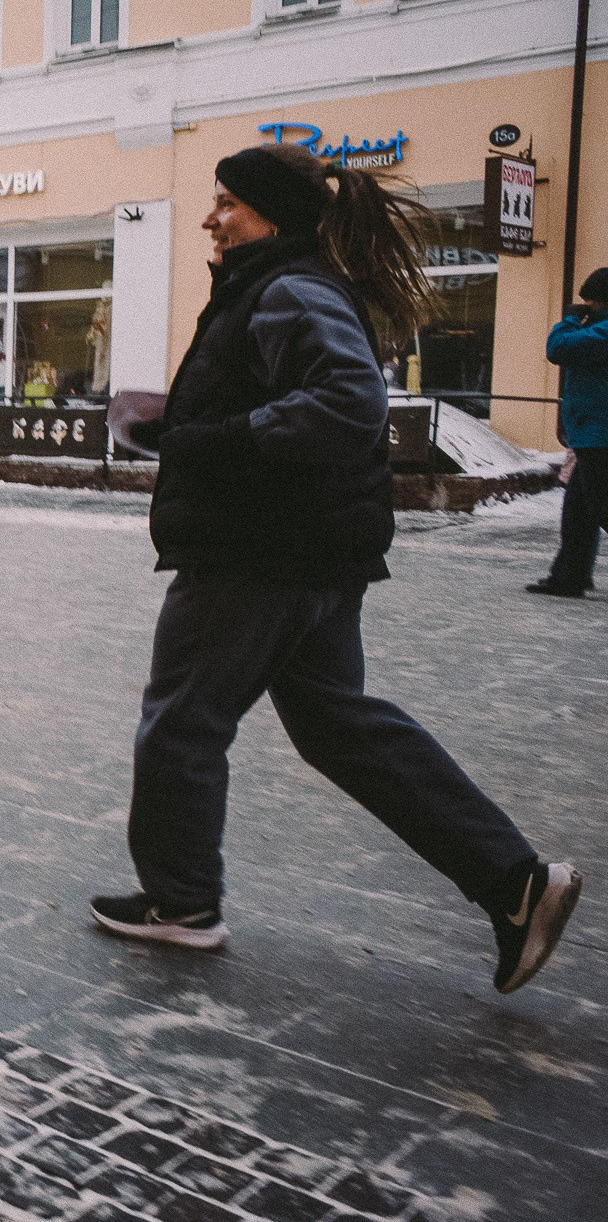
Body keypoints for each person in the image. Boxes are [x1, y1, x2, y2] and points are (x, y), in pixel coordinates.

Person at [95, 143, 580, 995]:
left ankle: (181, 904)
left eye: (228, 203)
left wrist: (208, 441)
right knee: (337, 727)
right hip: (310, 552)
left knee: (182, 723)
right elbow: (291, 395)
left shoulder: (290, 287)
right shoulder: (285, 285)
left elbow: (344, 404)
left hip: (259, 554)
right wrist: (175, 417)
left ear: (272, 216)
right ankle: (515, 882)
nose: (212, 217)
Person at [526, 269, 608, 598]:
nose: (585, 306)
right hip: (591, 434)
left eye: (589, 301)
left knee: (601, 507)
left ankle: (570, 576)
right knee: (579, 511)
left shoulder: (602, 333)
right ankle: (570, 577)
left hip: (600, 436)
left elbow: (558, 348)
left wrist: (571, 320)